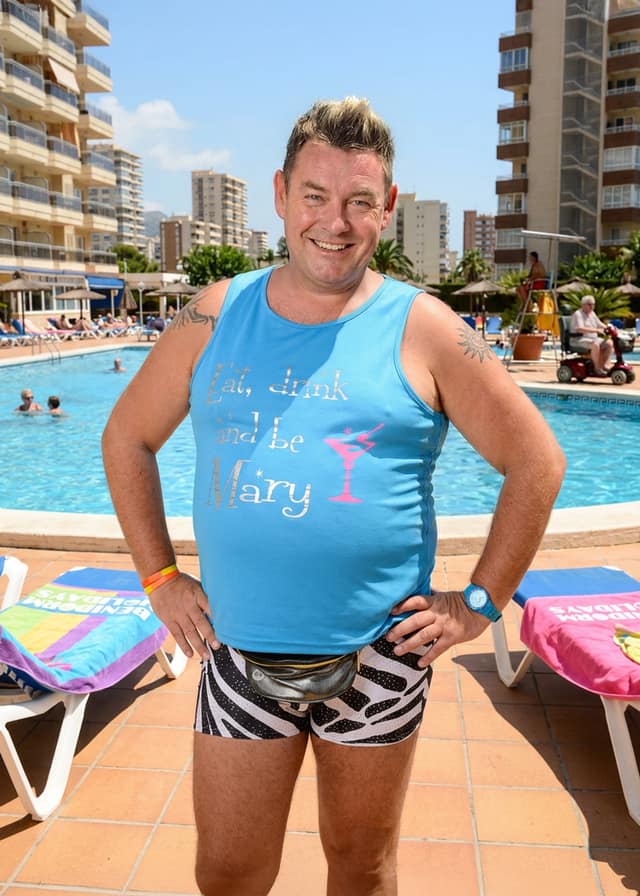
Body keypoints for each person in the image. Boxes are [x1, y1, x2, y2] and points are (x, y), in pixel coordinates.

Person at [103, 97, 565, 895]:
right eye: (315, 196)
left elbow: (538, 463)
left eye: (359, 201)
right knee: (228, 874)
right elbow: (126, 439)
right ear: (282, 195)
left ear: (386, 208)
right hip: (238, 654)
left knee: (360, 867)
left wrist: (479, 605)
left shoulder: (425, 328)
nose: (335, 222)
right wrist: (159, 577)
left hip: (381, 659)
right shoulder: (215, 314)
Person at [569, 294, 613, 375]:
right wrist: (596, 330)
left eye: (593, 304)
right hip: (579, 340)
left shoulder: (592, 313)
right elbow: (580, 328)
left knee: (609, 343)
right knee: (595, 345)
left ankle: (605, 366)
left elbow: (600, 324)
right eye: (590, 304)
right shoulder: (578, 314)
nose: (592, 306)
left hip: (592, 339)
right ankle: (597, 368)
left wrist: (609, 328)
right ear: (583, 305)